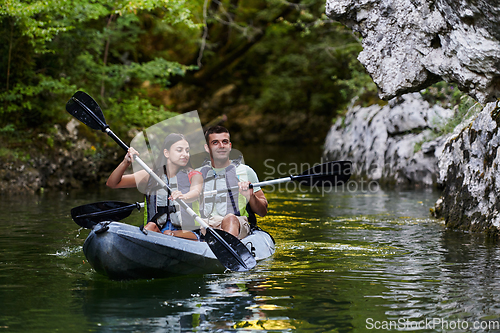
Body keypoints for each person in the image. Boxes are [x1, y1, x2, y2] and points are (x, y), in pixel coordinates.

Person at [106, 133, 202, 240]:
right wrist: (126, 162)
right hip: (157, 231)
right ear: (166, 153)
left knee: (168, 233)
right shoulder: (150, 176)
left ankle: (169, 236)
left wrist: (185, 196)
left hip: (188, 233)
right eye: (179, 150)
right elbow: (113, 183)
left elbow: (195, 192)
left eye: (187, 151)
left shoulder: (194, 175)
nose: (185, 154)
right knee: (150, 227)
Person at [199, 126, 268, 239]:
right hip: (206, 223)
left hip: (236, 222)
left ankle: (227, 245)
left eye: (224, 142)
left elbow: (263, 212)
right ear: (207, 148)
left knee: (230, 218)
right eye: (215, 142)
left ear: (230, 146)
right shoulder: (197, 174)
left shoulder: (246, 171)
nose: (221, 146)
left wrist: (251, 196)